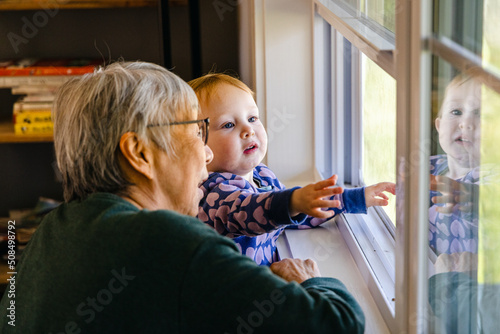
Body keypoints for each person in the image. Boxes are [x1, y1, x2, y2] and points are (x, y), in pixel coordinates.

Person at [0, 61, 366, 333]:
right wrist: (310, 281)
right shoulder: (166, 242)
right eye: (195, 130)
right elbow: (338, 324)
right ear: (139, 153)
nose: (207, 154)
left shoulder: (52, 231)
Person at [189, 73, 395, 265]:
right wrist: (292, 200)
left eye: (252, 118)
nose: (248, 130)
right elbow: (250, 211)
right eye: (228, 125)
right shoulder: (212, 193)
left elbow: (297, 213)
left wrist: (353, 199)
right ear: (197, 143)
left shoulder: (263, 176)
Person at [428, 73, 482, 255]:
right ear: (438, 125)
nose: (465, 124)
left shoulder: (492, 174)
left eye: (480, 115)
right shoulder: (431, 166)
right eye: (456, 112)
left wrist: (472, 195)